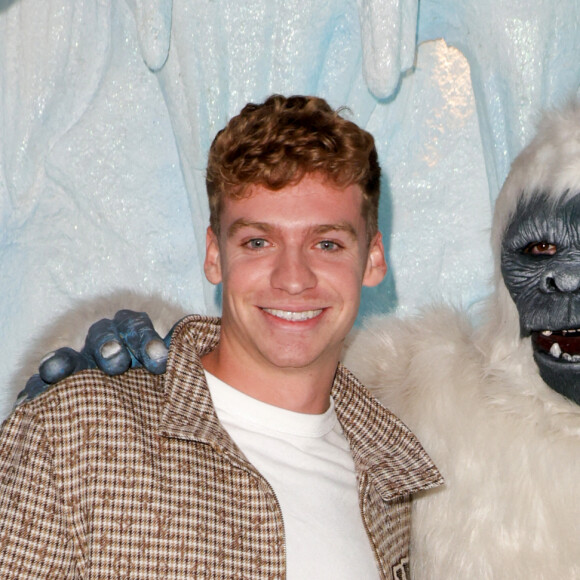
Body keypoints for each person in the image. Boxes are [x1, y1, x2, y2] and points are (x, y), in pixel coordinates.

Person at [0, 94, 442, 579]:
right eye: (258, 242)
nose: (293, 278)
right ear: (214, 256)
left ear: (373, 260)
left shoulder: (392, 483)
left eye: (326, 243)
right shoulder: (78, 430)